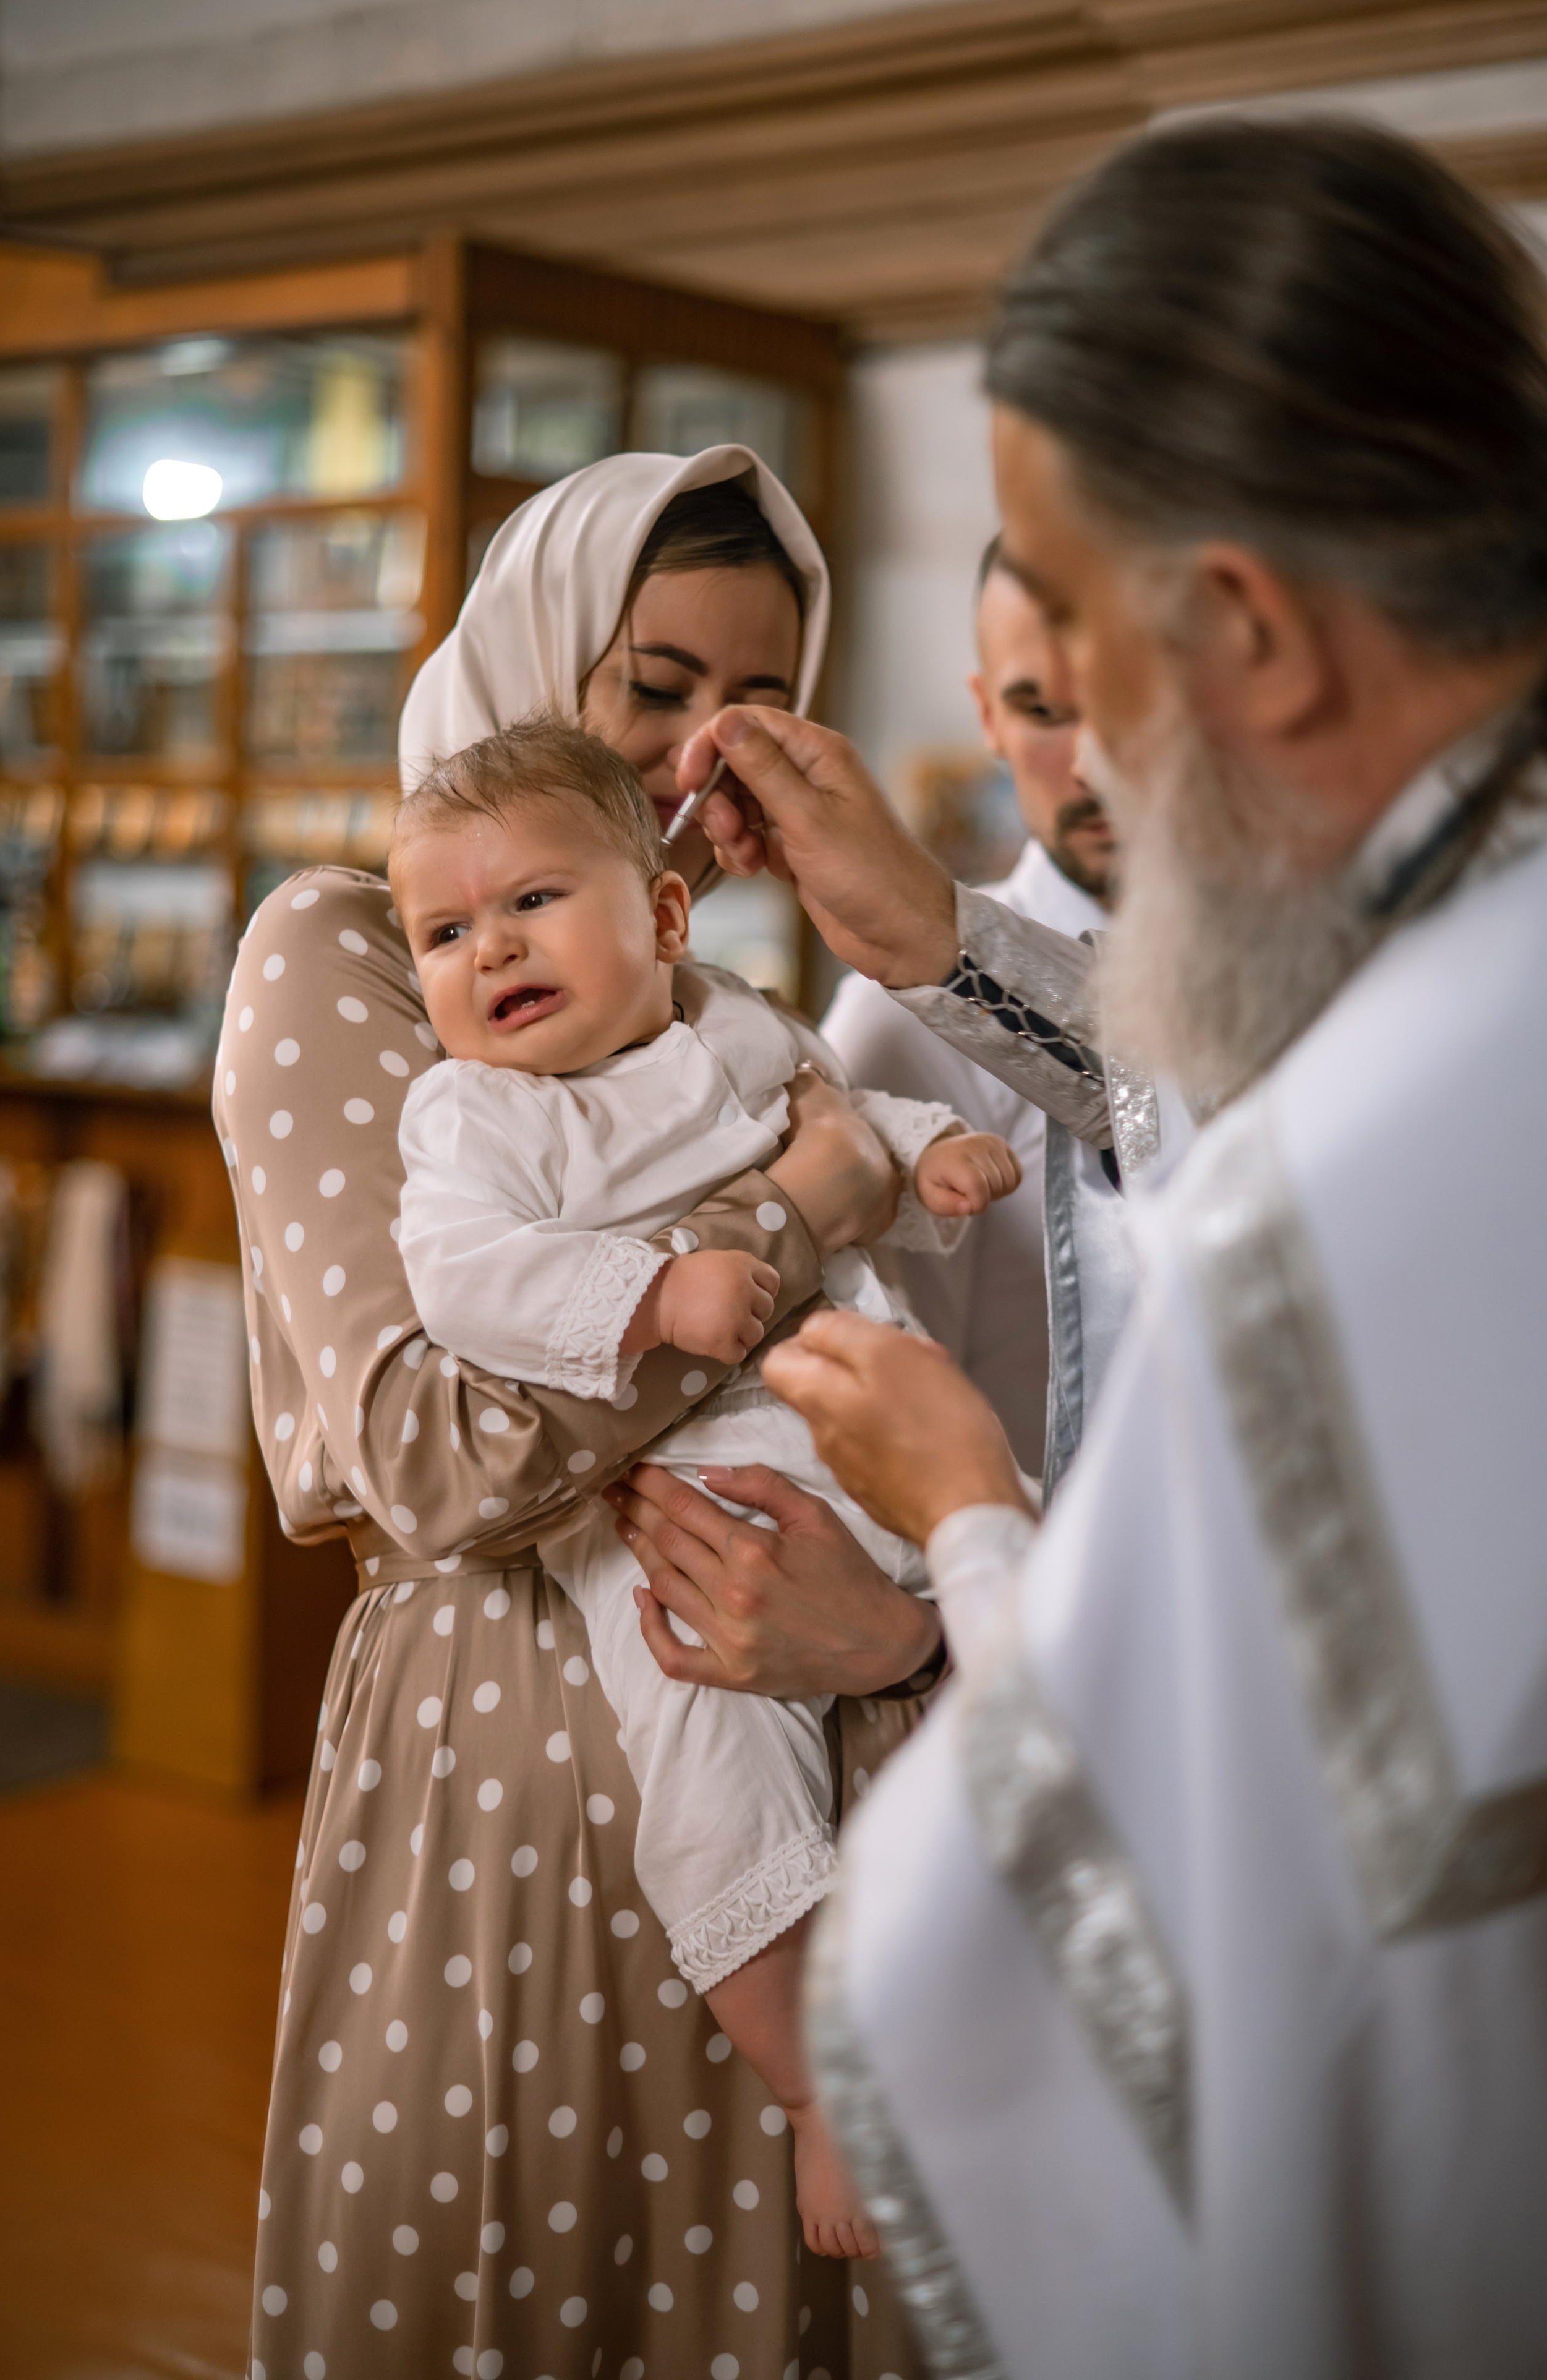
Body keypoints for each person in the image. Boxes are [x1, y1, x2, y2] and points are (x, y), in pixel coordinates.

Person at [647, 120, 1547, 2376]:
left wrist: (963, 1523)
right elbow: (1224, 1086)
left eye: (1067, 614)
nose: (1059, 725)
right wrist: (940, 942)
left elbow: (1103, 1952)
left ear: (1238, 626)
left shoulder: (1339, 1209)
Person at [224, 447, 940, 2379]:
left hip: (797, 1727)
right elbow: (445, 1458)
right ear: (539, 658)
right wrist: (795, 1210)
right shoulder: (356, 954)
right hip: (505, 1779)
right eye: (651, 685)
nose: (707, 751)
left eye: (760, 702)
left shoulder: (688, 982)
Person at [388, 715, 1017, 2258]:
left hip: (862, 1409)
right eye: (446, 932)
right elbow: (462, 1278)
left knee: (1029, 1581)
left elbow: (832, 1118)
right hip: (680, 1496)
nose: (492, 951)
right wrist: (649, 1301)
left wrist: (925, 1150)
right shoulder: (473, 1114)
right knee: (714, 1782)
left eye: (533, 901)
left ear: (663, 919)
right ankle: (814, 2089)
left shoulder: (729, 1023)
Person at [824, 541, 1114, 1472]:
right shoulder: (901, 1019)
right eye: (1044, 712)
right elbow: (887, 1426)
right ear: (986, 713)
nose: (1094, 766)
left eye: (1132, 701)